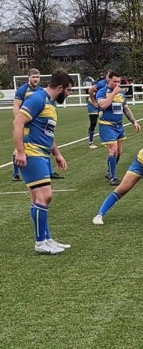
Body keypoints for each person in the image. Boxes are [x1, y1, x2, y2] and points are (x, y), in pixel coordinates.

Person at [12, 69, 74, 254]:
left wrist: (57, 154)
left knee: (38, 198)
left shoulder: (50, 104)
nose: (69, 94)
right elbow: (18, 123)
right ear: (60, 87)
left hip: (43, 153)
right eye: (69, 90)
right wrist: (21, 152)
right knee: (45, 195)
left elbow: (47, 133)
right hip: (32, 152)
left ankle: (46, 238)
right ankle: (40, 243)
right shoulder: (37, 98)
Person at [97, 72, 142, 185]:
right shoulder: (102, 92)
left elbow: (125, 108)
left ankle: (109, 171)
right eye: (115, 81)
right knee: (113, 150)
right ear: (109, 81)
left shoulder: (121, 93)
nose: (117, 84)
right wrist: (113, 94)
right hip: (106, 125)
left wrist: (134, 121)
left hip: (119, 125)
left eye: (119, 82)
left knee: (119, 152)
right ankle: (113, 177)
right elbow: (103, 105)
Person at [12, 69, 50, 181]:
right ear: (29, 78)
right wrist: (18, 120)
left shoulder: (40, 90)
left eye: (37, 77)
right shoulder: (23, 89)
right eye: (33, 77)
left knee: (42, 143)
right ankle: (15, 173)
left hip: (35, 123)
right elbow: (16, 106)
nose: (36, 79)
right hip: (24, 122)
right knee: (20, 146)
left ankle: (49, 171)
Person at [87, 71, 110, 149]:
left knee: (104, 121)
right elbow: (90, 90)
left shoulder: (110, 85)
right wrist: (93, 102)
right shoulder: (101, 84)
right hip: (92, 104)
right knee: (93, 122)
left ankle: (105, 140)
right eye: (108, 76)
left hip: (101, 103)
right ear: (106, 76)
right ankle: (91, 142)